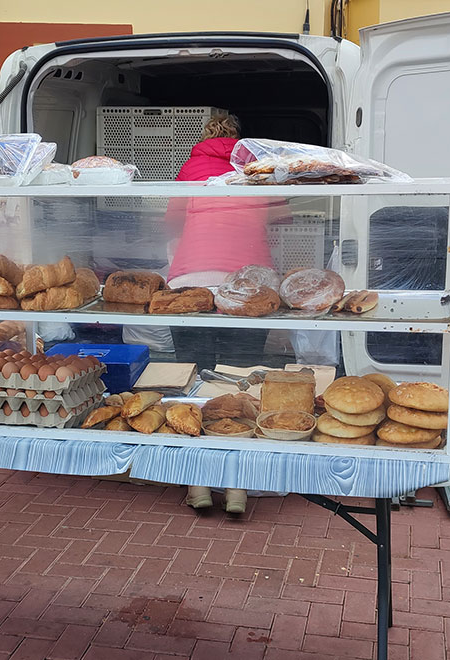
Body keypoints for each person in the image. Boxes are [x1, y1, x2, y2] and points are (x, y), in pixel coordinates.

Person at [166, 108, 289, 514]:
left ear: (204, 135)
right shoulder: (256, 166)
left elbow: (170, 224)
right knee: (239, 379)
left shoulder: (189, 168)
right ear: (241, 138)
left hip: (191, 280)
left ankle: (197, 483)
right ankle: (237, 485)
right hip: (248, 283)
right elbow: (283, 217)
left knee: (194, 378)